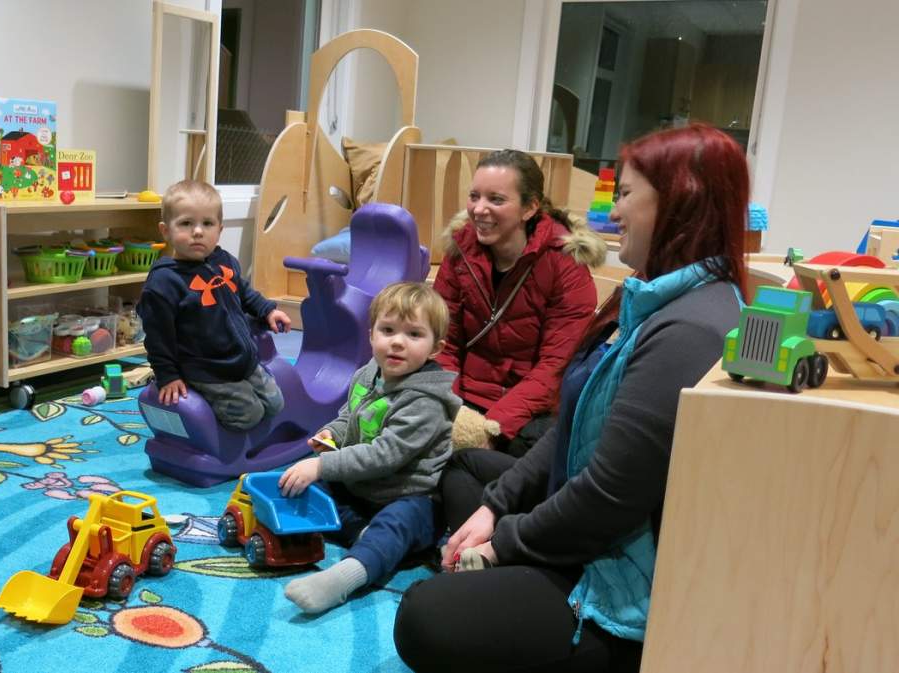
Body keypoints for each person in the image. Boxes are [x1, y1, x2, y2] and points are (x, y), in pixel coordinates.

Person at [393, 124, 749, 673]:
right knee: (465, 472)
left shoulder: (689, 328)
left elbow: (608, 495)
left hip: (608, 567)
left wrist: (504, 541)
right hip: (576, 510)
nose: (614, 213)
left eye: (626, 195)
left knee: (422, 616)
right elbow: (573, 418)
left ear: (681, 202)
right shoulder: (655, 298)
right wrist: (496, 505)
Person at [279, 282, 460, 614]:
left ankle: (346, 576)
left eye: (414, 335)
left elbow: (384, 455)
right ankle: (364, 533)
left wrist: (324, 465)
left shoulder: (425, 401)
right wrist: (329, 437)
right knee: (302, 481)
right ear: (371, 334)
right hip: (362, 488)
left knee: (397, 523)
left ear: (436, 348)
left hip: (409, 496)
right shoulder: (367, 374)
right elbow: (348, 417)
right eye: (387, 330)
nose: (397, 342)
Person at [434, 149, 605, 456]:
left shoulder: (564, 264)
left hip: (527, 411)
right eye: (475, 196)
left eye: (496, 199)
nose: (479, 209)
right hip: (461, 396)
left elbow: (554, 366)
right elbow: (443, 340)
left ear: (530, 208)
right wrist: (451, 410)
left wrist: (492, 427)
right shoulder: (460, 251)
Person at [138, 179, 292, 431]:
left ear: (219, 229)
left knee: (276, 404)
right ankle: (207, 413)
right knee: (249, 415)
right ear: (165, 231)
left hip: (242, 359)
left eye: (207, 223)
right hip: (205, 369)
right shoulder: (164, 282)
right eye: (186, 223)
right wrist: (168, 375)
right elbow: (157, 337)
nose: (198, 231)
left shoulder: (223, 260)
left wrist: (268, 310)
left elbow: (242, 291)